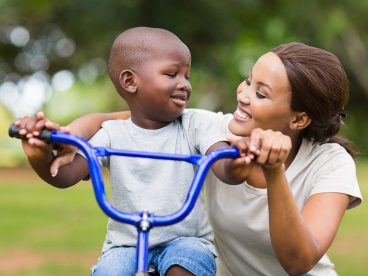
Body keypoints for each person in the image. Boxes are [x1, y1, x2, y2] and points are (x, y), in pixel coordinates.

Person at [16, 42, 362, 275]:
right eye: (247, 80)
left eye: (260, 92)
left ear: (299, 120)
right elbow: (113, 120)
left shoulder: (330, 163)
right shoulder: (210, 128)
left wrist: (274, 173)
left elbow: (298, 261)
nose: (242, 94)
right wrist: (60, 138)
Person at [14, 27, 251, 276]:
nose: (184, 85)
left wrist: (237, 163)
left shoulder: (194, 125)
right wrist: (38, 156)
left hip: (185, 240)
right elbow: (65, 176)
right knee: (109, 272)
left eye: (186, 76)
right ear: (130, 81)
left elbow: (223, 166)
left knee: (185, 265)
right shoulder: (111, 134)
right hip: (125, 244)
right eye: (172, 74)